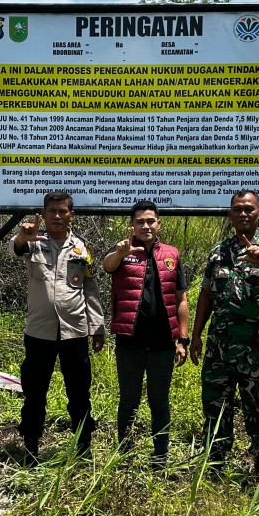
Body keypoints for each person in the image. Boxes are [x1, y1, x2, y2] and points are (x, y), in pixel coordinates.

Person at [189, 190, 259, 475]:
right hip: (220, 347)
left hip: (257, 349)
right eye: (237, 209)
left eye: (249, 209)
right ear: (230, 215)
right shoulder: (219, 251)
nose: (243, 214)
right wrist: (197, 334)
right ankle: (215, 464)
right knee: (215, 408)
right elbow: (206, 294)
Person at [11, 191, 106, 464]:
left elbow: (89, 287)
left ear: (71, 215)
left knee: (79, 392)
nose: (56, 216)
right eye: (51, 210)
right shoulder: (33, 241)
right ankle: (30, 450)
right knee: (35, 393)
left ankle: (83, 449)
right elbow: (16, 249)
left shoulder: (80, 246)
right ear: (43, 213)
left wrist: (97, 326)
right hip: (39, 332)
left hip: (74, 331)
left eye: (62, 211)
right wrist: (22, 237)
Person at [103, 200, 189, 467]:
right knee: (128, 401)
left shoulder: (171, 254)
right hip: (129, 340)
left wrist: (182, 338)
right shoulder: (122, 251)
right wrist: (119, 252)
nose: (146, 226)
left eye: (150, 221)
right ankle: (124, 455)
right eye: (140, 221)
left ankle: (160, 456)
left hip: (163, 342)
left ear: (158, 223)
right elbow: (107, 266)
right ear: (133, 225)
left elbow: (181, 297)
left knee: (160, 402)